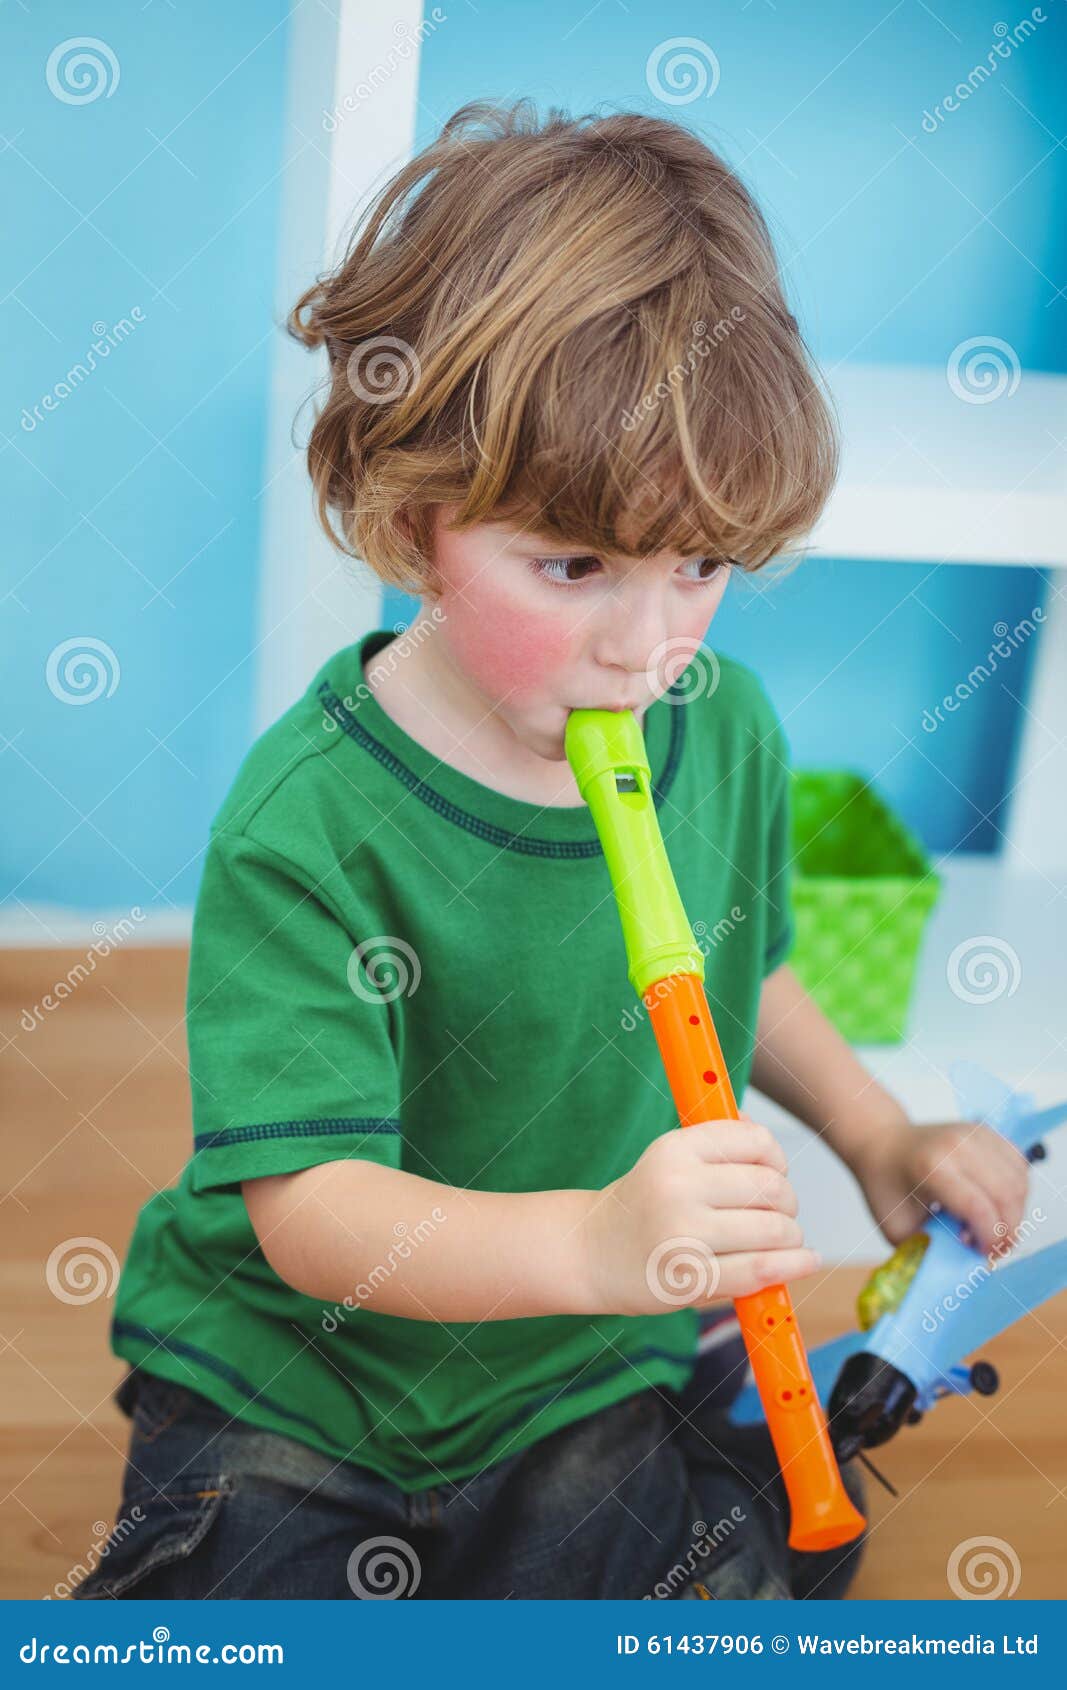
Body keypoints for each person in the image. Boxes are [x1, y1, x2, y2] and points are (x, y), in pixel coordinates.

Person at [71, 100, 1029, 1602]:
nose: (645, 646)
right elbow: (311, 1204)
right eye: (573, 565)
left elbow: (741, 969)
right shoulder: (305, 820)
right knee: (238, 1606)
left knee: (731, 1594)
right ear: (409, 519)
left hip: (584, 1367)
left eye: (699, 566)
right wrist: (596, 1240)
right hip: (303, 1381)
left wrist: (875, 1135)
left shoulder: (722, 724)